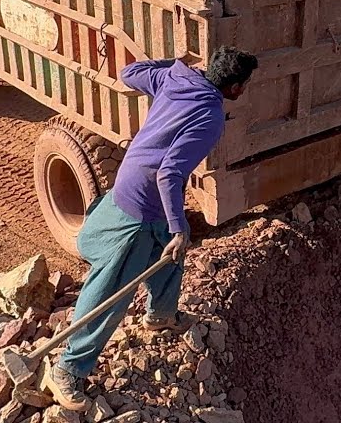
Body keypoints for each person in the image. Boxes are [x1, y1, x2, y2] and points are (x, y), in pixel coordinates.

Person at [42, 46, 259, 411]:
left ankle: (161, 314)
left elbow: (129, 74)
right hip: (142, 203)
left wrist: (173, 64)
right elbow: (170, 172)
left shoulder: (174, 77)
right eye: (245, 84)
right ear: (235, 87)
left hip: (135, 183)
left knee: (172, 252)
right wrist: (178, 228)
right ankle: (67, 368)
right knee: (112, 288)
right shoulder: (210, 117)